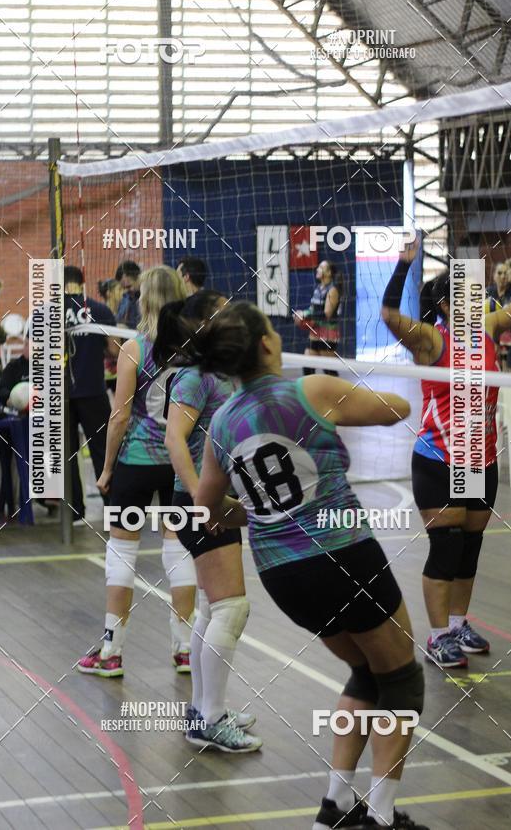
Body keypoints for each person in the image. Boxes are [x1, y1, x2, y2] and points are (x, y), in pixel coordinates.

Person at [195, 301, 427, 830]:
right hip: (344, 556)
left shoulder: (222, 424)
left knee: (366, 672)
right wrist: (348, 391)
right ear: (267, 344)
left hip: (283, 575)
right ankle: (382, 818)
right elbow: (396, 408)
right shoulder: (311, 390)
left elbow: (208, 511)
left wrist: (260, 510)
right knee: (402, 680)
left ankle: (335, 808)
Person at [380, 229, 511, 668]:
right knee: (446, 549)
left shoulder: (487, 328)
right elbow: (389, 314)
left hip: (480, 459)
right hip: (439, 460)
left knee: (469, 549)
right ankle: (438, 636)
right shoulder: (432, 340)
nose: (479, 300)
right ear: (449, 306)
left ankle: (457, 623)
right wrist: (404, 263)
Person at [155, 291, 261, 753]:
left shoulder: (215, 371)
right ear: (202, 322)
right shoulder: (195, 377)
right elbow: (174, 439)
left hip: (214, 500)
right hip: (201, 502)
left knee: (215, 608)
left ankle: (204, 708)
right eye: (220, 308)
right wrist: (203, 499)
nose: (230, 311)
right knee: (231, 609)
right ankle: (210, 720)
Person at [77, 266, 194, 678]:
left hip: (137, 464)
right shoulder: (197, 349)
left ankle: (111, 652)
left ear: (144, 300)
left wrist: (107, 467)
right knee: (179, 550)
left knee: (122, 551)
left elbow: (120, 416)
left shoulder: (134, 348)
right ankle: (185, 650)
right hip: (181, 465)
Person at [64, 266, 117, 523]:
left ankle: (74, 511)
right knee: (102, 451)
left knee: (67, 454)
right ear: (82, 282)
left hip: (60, 395)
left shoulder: (46, 312)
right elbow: (114, 351)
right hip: (93, 390)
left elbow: (33, 355)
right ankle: (112, 508)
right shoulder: (100, 310)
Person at [293, 260, 341, 376]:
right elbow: (312, 309)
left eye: (321, 267)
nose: (317, 269)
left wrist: (306, 315)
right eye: (318, 267)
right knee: (307, 366)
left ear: (329, 273)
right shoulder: (318, 289)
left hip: (328, 334)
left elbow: (327, 314)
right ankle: (310, 388)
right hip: (315, 332)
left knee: (329, 370)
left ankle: (339, 388)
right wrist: (301, 313)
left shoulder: (332, 290)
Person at [98, 279, 123, 393]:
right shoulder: (103, 313)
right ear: (109, 293)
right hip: (107, 369)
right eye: (119, 289)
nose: (122, 293)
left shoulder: (119, 312)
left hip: (119, 366)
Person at [115, 260, 141, 329]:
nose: (126, 291)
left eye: (129, 286)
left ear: (138, 278)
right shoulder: (126, 297)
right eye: (123, 288)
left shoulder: (148, 298)